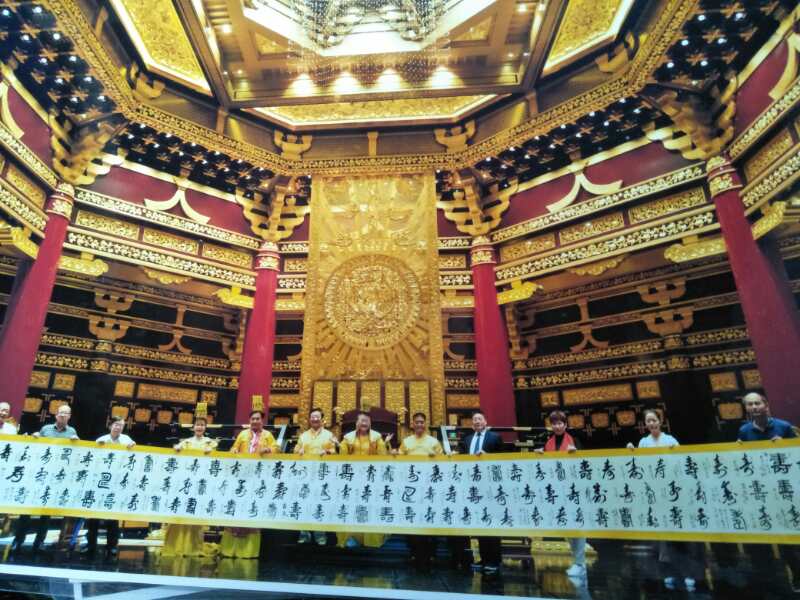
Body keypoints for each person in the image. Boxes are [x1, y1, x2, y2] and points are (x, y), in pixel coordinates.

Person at [628, 410, 701, 591]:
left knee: (681, 532)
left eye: (654, 420)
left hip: (673, 490)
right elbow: (640, 464)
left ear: (660, 421)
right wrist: (631, 451)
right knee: (663, 536)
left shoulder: (670, 440)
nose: (651, 423)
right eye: (648, 421)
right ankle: (668, 572)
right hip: (655, 491)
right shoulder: (644, 442)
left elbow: (681, 461)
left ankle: (688, 572)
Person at [736, 393, 799, 591]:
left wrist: (785, 446)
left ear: (765, 405)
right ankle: (773, 581)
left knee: (790, 538)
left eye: (757, 403)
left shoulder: (783, 426)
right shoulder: (744, 431)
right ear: (746, 408)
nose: (754, 407)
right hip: (761, 491)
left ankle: (797, 575)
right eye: (750, 404)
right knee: (769, 536)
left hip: (785, 489)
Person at [11, 404, 78, 555]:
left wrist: (77, 442)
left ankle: (39, 542)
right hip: (39, 475)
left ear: (69, 416)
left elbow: (76, 453)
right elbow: (37, 447)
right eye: (61, 412)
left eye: (66, 413)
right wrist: (35, 437)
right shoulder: (46, 429)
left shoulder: (72, 432)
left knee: (46, 512)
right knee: (27, 509)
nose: (63, 415)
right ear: (56, 414)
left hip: (55, 478)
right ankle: (18, 540)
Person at [220, 410, 278, 559]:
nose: (255, 421)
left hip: (258, 478)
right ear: (249, 420)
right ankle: (230, 550)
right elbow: (234, 448)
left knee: (252, 509)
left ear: (262, 421)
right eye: (253, 418)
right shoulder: (242, 434)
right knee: (237, 508)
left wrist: (268, 449)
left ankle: (247, 551)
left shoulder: (268, 435)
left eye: (258, 419)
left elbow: (276, 449)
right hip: (241, 478)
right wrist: (233, 450)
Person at [537, 410, 586, 579]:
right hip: (558, 491)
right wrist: (540, 456)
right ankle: (577, 562)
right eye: (554, 423)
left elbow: (584, 464)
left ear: (565, 424)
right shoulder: (548, 443)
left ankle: (580, 563)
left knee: (577, 527)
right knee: (568, 527)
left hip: (573, 490)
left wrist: (576, 454)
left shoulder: (575, 441)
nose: (557, 426)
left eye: (560, 423)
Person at [162, 417, 217, 557]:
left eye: (202, 425)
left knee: (194, 512)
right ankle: (176, 545)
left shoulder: (211, 443)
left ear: (205, 427)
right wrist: (177, 449)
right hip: (185, 483)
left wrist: (211, 451)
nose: (199, 427)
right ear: (193, 427)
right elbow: (177, 455)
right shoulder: (186, 442)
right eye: (197, 425)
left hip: (200, 483)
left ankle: (193, 546)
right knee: (181, 511)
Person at [458, 411, 503, 575]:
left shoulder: (495, 438)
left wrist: (488, 457)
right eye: (474, 420)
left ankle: (494, 560)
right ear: (472, 424)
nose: (477, 422)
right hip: (473, 486)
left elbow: (503, 460)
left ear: (485, 422)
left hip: (490, 486)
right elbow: (461, 458)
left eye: (479, 419)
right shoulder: (467, 439)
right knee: (481, 522)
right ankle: (484, 558)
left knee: (492, 523)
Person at [85, 417, 135, 560]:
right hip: (100, 482)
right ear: (110, 426)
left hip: (116, 483)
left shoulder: (126, 440)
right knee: (93, 517)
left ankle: (112, 546)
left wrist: (133, 447)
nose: (118, 427)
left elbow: (133, 455)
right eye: (116, 425)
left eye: (121, 425)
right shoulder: (102, 439)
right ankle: (91, 545)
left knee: (112, 517)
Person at [337, 412, 389, 549]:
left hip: (371, 478)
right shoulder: (348, 438)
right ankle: (351, 537)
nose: (364, 423)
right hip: (353, 478)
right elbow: (342, 456)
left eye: (366, 421)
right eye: (361, 420)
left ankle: (371, 540)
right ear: (356, 423)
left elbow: (383, 456)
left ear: (370, 423)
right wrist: (339, 445)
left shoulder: (377, 438)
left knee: (369, 507)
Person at [398, 412, 443, 570]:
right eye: (416, 422)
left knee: (429, 518)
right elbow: (400, 461)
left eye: (422, 422)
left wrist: (435, 458)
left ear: (426, 424)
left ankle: (431, 553)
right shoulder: (406, 442)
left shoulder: (434, 442)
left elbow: (442, 463)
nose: (419, 425)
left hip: (429, 487)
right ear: (412, 424)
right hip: (411, 487)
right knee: (412, 519)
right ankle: (413, 552)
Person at [294, 408, 337, 546]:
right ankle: (304, 533)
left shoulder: (329, 435)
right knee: (304, 503)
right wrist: (299, 451)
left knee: (320, 504)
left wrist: (328, 451)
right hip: (306, 475)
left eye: (317, 417)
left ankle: (320, 535)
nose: (314, 419)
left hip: (322, 475)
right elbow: (296, 450)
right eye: (312, 417)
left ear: (322, 419)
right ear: (309, 419)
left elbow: (335, 452)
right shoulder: (303, 436)